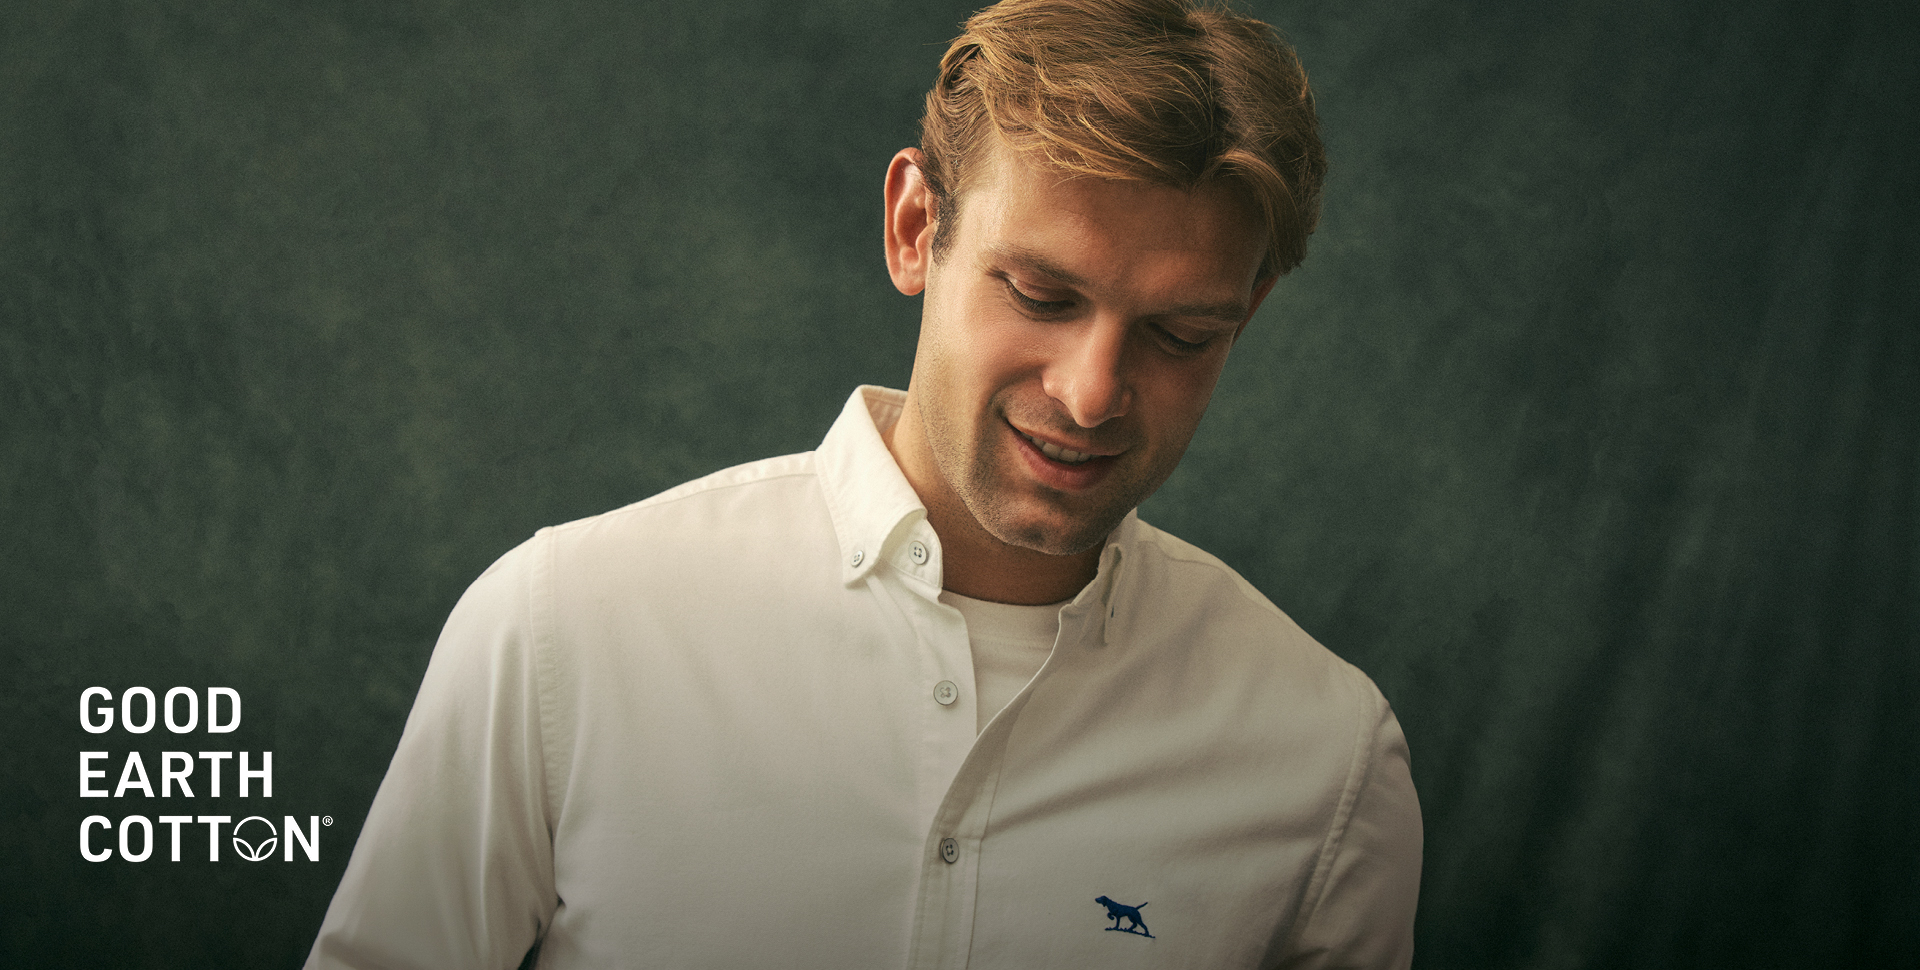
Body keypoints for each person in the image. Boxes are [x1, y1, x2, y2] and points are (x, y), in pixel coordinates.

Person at [306, 0, 1422, 966]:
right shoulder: (563, 630)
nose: (1091, 394)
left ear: (1247, 315)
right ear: (914, 227)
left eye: (1181, 334)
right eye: (1040, 296)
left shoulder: (1325, 765)